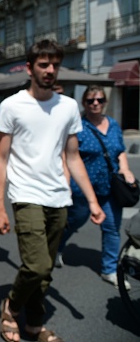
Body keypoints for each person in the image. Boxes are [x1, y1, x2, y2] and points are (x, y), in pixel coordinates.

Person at [0, 40, 105, 342]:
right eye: (44, 64)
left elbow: (72, 156)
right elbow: (0, 158)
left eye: (55, 64)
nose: (50, 70)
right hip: (25, 194)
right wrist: (0, 208)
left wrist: (92, 201)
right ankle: (11, 307)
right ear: (30, 68)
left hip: (59, 196)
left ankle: (34, 324)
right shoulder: (12, 105)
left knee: (45, 272)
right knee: (37, 264)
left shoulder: (68, 107)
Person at [57, 85, 135, 289]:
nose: (95, 104)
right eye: (91, 101)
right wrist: (65, 179)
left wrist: (125, 169)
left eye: (100, 100)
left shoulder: (113, 124)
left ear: (105, 102)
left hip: (110, 186)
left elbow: (120, 151)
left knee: (111, 227)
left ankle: (109, 270)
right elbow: (67, 155)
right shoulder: (78, 126)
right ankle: (57, 246)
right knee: (74, 220)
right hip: (83, 187)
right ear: (84, 103)